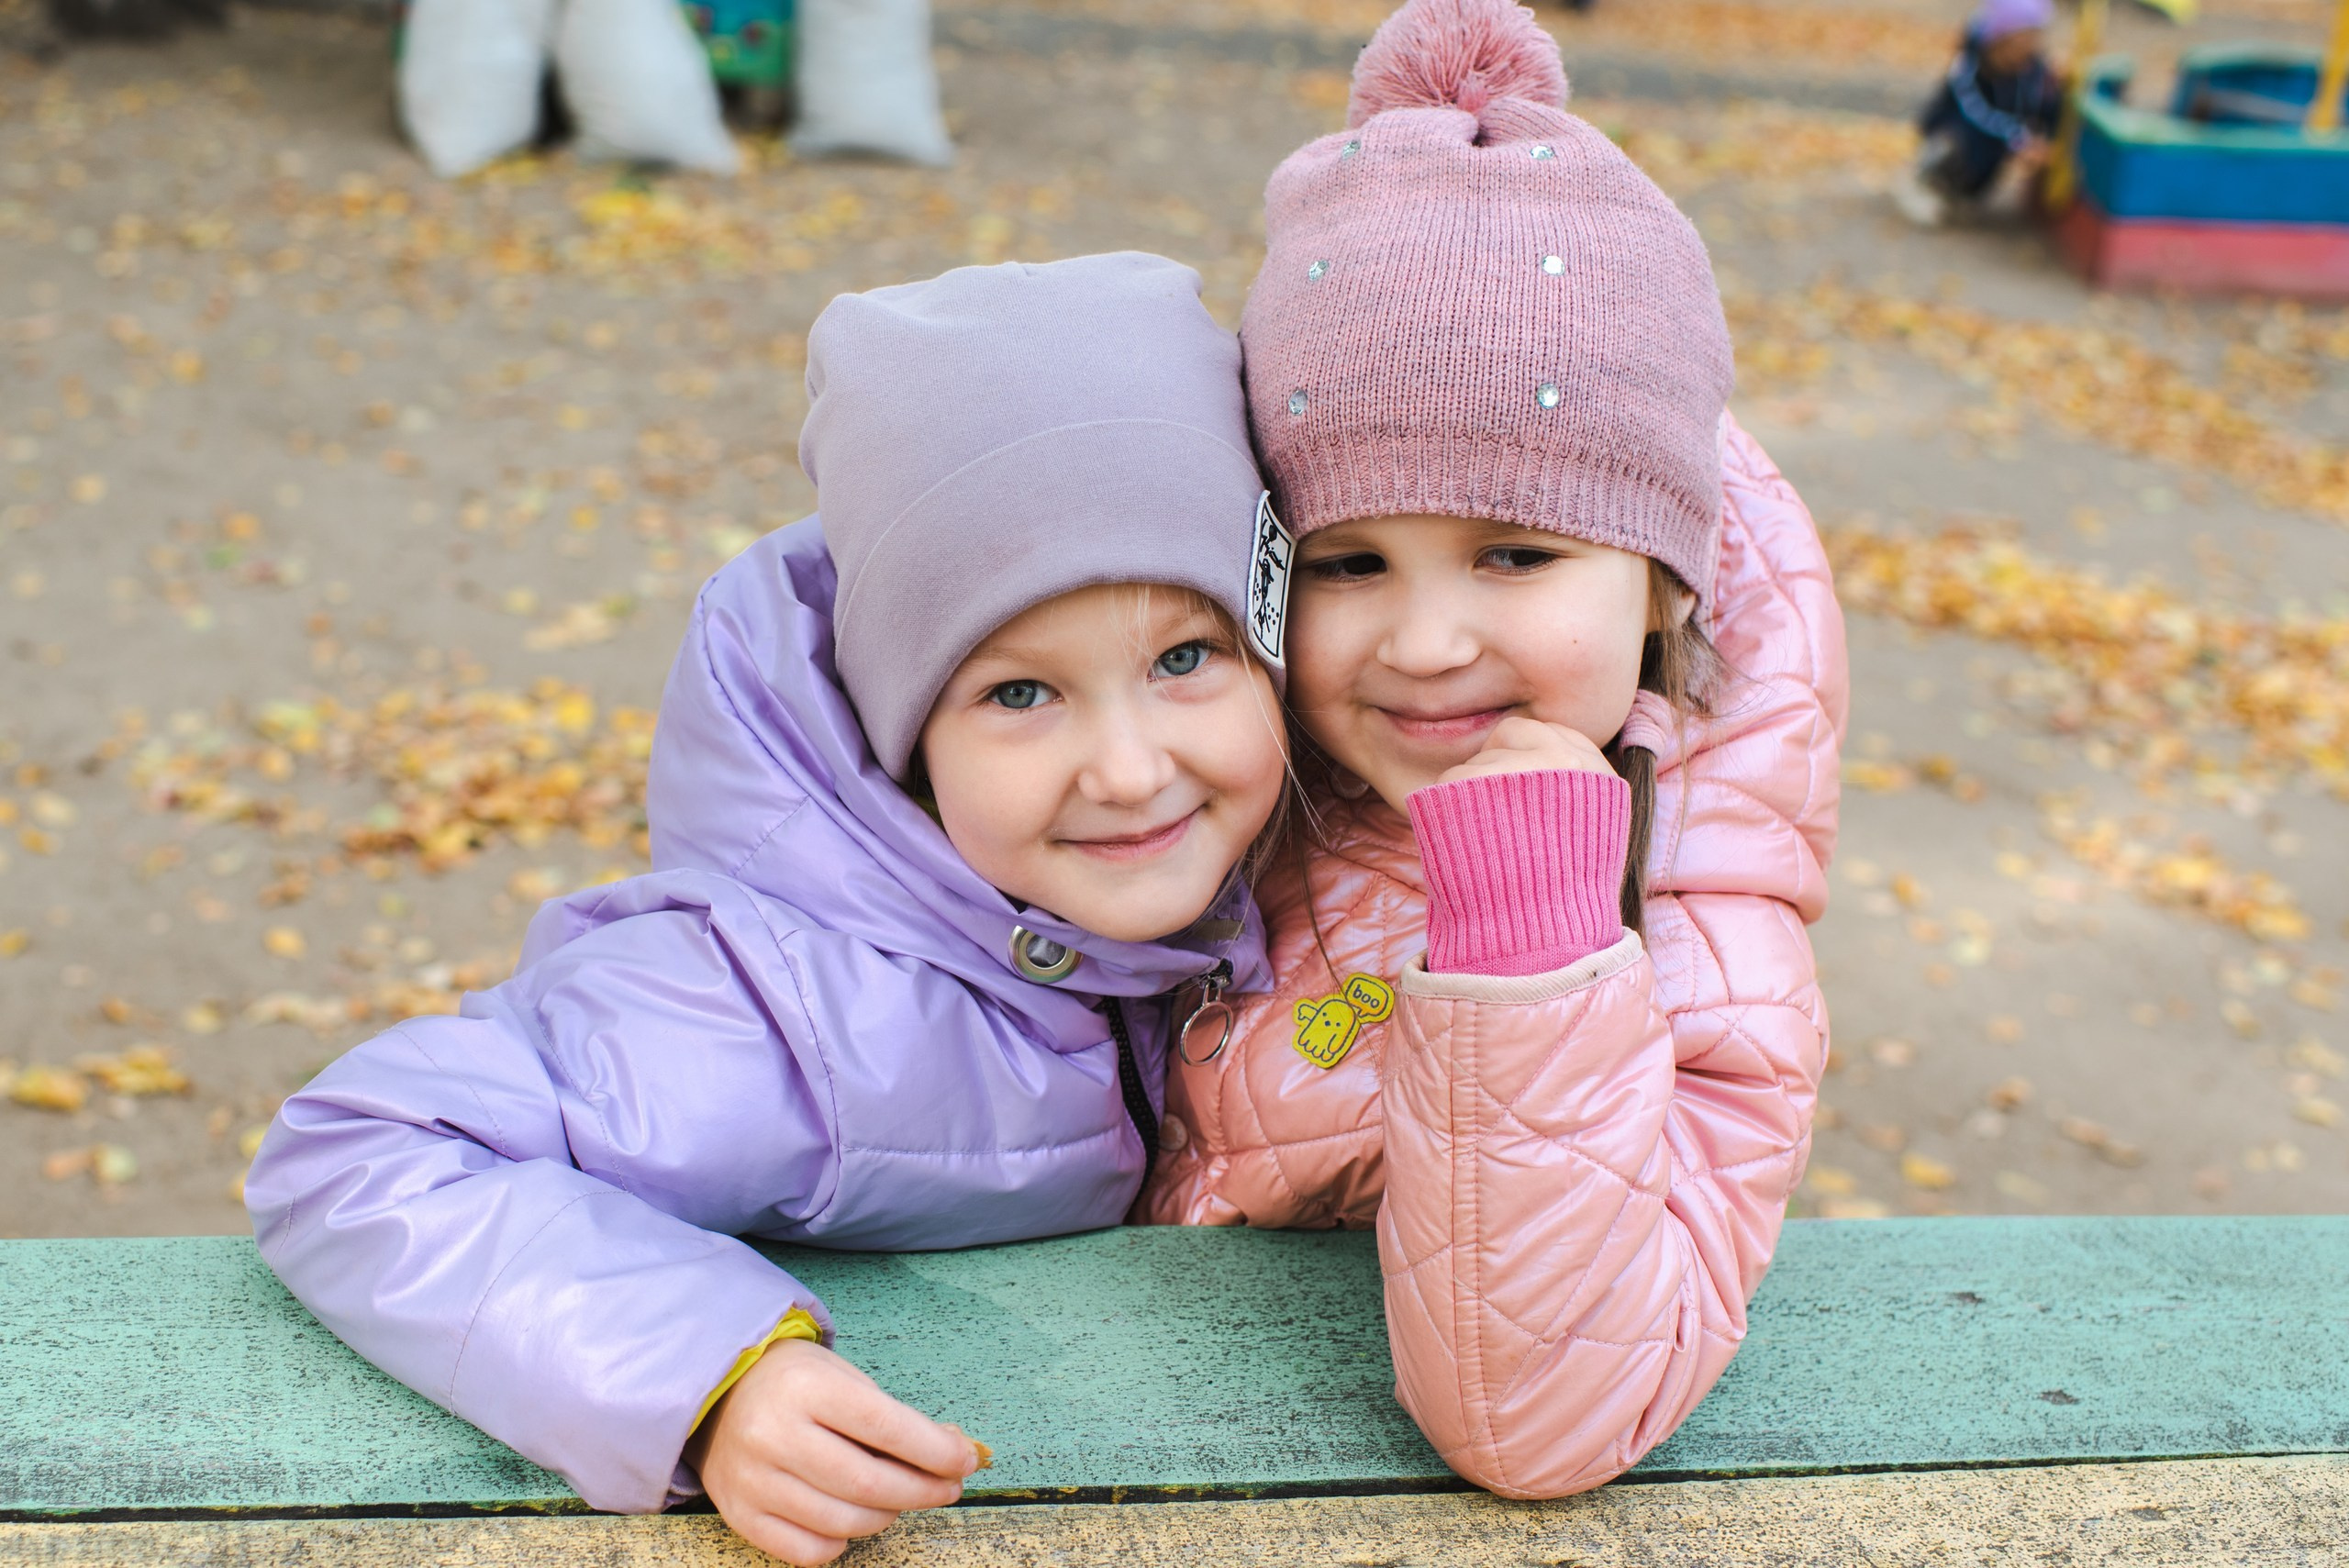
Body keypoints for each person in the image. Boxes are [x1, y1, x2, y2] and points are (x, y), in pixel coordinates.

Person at [245, 252, 1294, 1564]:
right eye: (1020, 694)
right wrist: (709, 1374)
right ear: (899, 735)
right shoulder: (777, 1019)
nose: (1133, 767)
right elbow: (356, 1149)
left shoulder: (1302, 871)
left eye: (1184, 657)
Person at [1139, 0, 1848, 1501]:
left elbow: (1542, 1420)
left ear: (1667, 578)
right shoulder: (1242, 762)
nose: (1425, 639)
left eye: (1514, 552)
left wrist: (1531, 939)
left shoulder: (1704, 925)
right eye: (1349, 562)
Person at [1898, 0, 2067, 227]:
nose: (2030, 46)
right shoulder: (1969, 65)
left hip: (1994, 146)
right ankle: (1926, 182)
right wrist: (2019, 138)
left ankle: (1963, 195)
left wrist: (2045, 139)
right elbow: (1974, 108)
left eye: (2035, 38)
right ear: (2001, 37)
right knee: (1953, 146)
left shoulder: (2032, 70)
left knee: (1980, 174)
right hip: (1958, 131)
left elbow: (2046, 105)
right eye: (2024, 38)